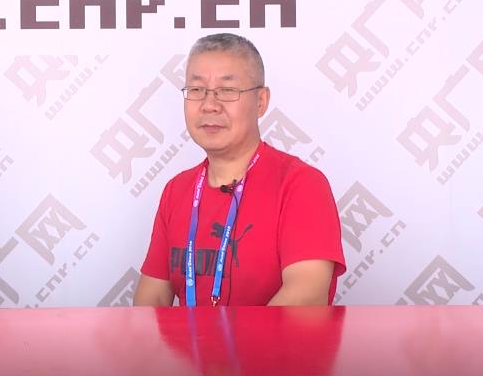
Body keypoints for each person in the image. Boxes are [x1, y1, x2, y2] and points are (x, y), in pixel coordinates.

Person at [133, 34, 345, 307]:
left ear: (261, 101)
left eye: (227, 90)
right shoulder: (177, 190)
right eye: (197, 90)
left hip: (273, 339)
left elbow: (305, 296)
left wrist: (226, 338)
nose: (209, 105)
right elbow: (150, 300)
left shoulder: (300, 185)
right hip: (188, 339)